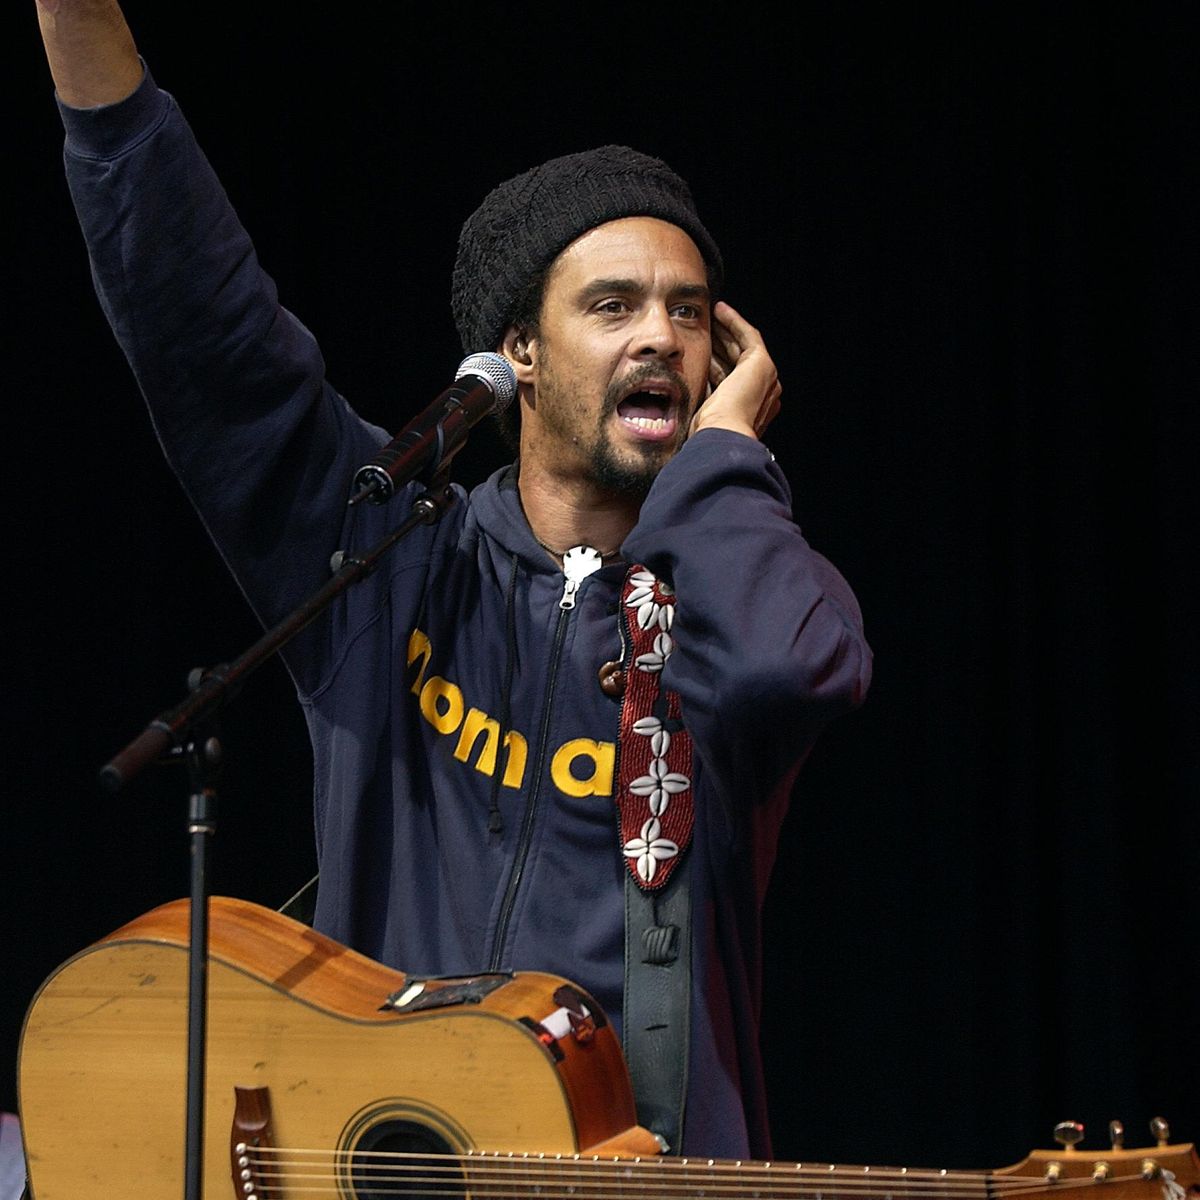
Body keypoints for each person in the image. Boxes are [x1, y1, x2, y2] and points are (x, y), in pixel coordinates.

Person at [34, 0, 872, 1161]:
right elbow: (205, 334)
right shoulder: (393, 555)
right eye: (613, 306)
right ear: (519, 350)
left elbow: (790, 671)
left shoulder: (732, 588)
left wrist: (725, 461)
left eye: (689, 313)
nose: (661, 338)